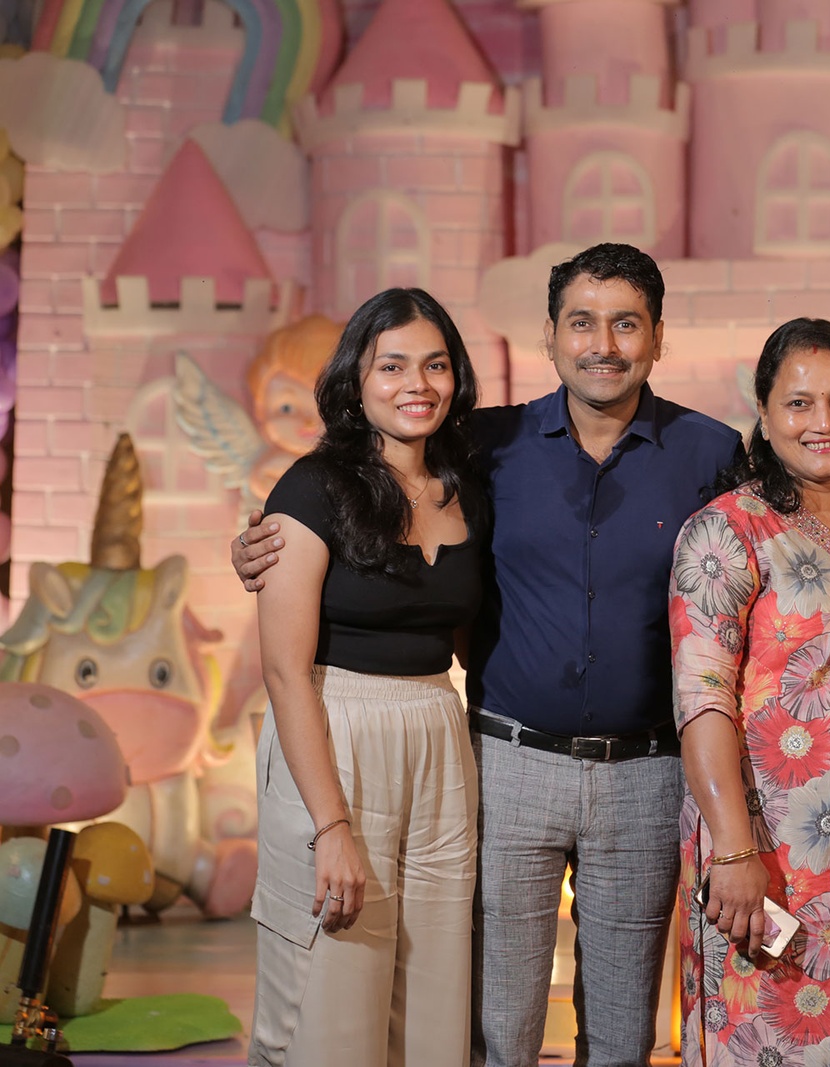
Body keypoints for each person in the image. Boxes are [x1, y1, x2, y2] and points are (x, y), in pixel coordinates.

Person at [234, 244, 744, 1067]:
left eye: (626, 323)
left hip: (644, 771)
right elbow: (336, 543)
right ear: (550, 335)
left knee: (617, 1036)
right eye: (581, 321)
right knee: (487, 1026)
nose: (603, 343)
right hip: (506, 762)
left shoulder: (709, 452)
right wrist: (262, 546)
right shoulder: (489, 445)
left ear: (657, 336)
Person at [669, 318, 830, 1065]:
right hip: (772, 855)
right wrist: (734, 850)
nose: (824, 422)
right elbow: (702, 701)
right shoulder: (726, 531)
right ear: (762, 412)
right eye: (798, 403)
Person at [249, 287, 485, 1066]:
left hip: (437, 729)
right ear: (356, 379)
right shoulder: (310, 488)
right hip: (334, 727)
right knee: (329, 992)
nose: (417, 383)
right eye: (393, 366)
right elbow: (284, 670)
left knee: (434, 989)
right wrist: (332, 826)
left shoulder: (467, 489)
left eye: (435, 365)